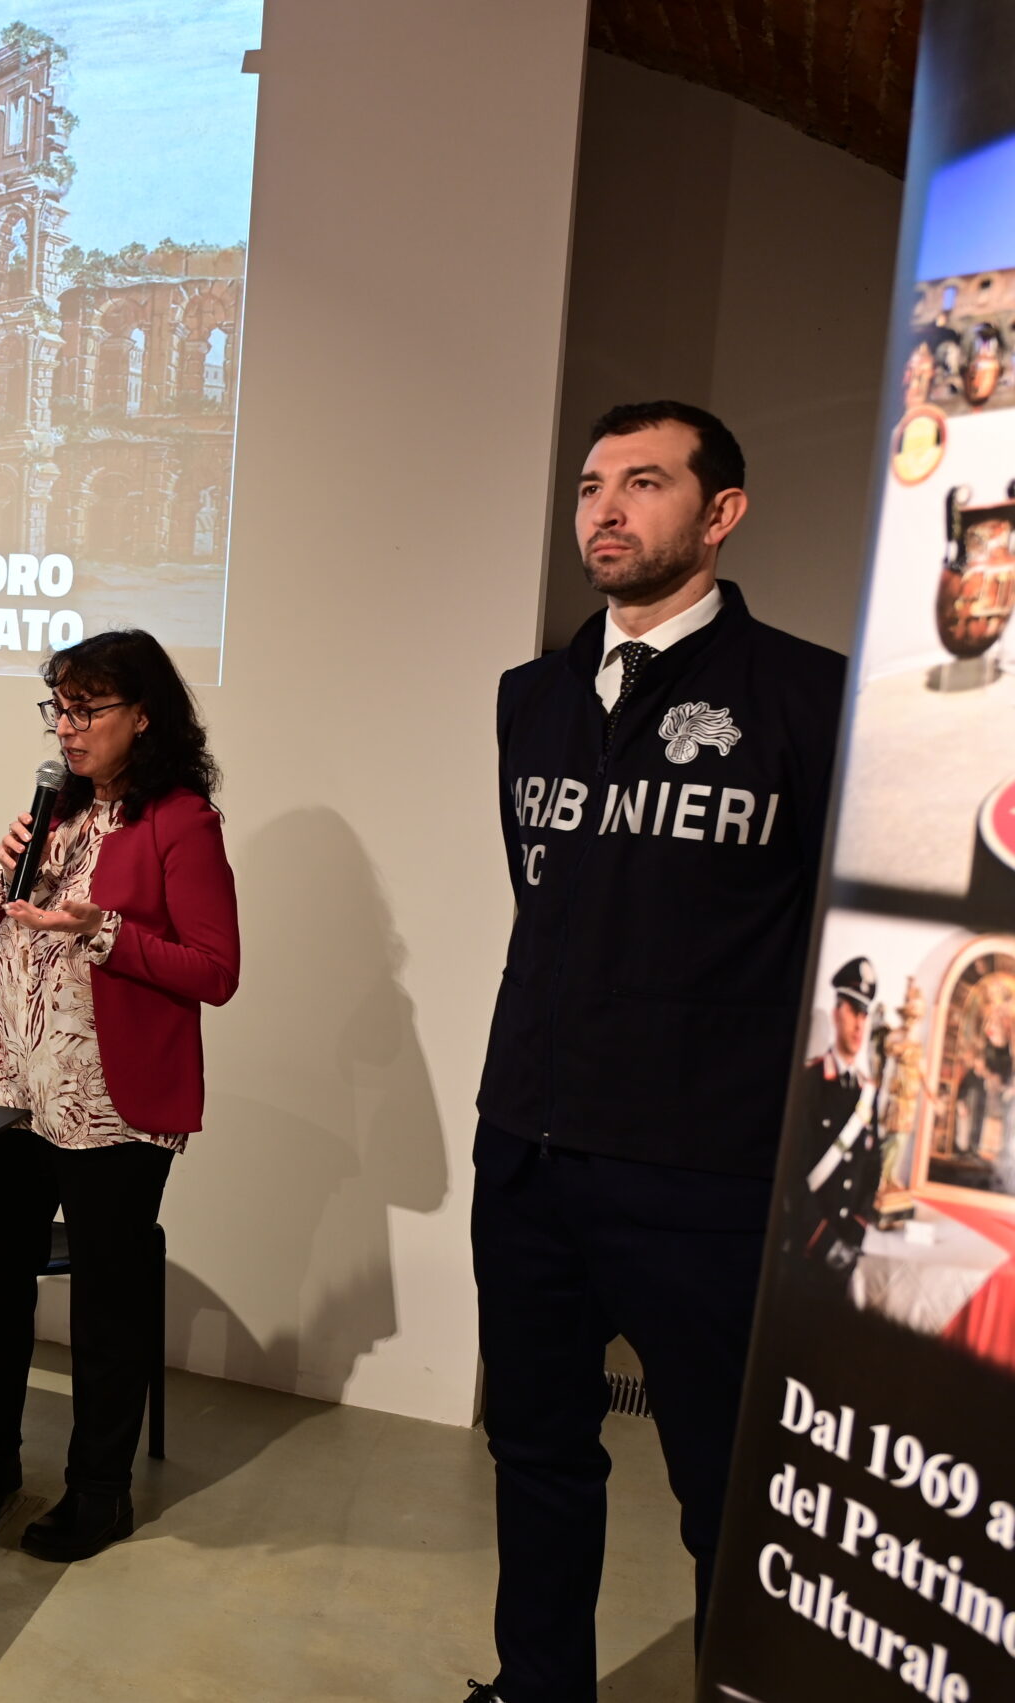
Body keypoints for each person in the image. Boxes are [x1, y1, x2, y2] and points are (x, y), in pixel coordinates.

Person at [466, 401, 845, 1703]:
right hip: (527, 1142)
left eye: (643, 482)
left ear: (722, 511)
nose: (605, 509)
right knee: (539, 1449)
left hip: (708, 1168)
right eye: (588, 486)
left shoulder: (810, 695)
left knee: (724, 1490)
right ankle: (538, 1687)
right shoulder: (534, 698)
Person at [0, 628, 239, 1564]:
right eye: (59, 704)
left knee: (105, 1305)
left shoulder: (180, 819)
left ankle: (101, 1492)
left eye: (88, 707)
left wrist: (107, 933)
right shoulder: (53, 807)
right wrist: (6, 855)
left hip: (111, 1104)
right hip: (14, 1087)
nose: (69, 724)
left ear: (144, 714)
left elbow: (216, 970)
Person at [792, 957, 882, 1274]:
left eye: (864, 1014)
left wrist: (855, 1231)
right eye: (852, 1011)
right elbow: (792, 1173)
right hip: (805, 1252)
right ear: (836, 1013)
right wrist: (826, 1243)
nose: (859, 1024)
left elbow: (873, 1169)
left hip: (849, 1252)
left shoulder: (867, 1093)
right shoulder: (808, 1083)